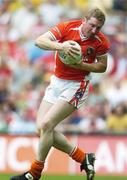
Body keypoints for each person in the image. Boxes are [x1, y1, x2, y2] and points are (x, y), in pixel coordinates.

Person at [10, 7, 110, 180]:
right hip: (56, 82)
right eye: (92, 25)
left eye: (98, 28)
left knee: (47, 124)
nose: (94, 31)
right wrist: (61, 47)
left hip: (77, 85)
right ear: (85, 19)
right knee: (40, 129)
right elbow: (39, 41)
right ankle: (84, 158)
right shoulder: (67, 28)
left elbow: (102, 66)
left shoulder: (101, 42)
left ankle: (34, 173)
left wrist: (81, 65)